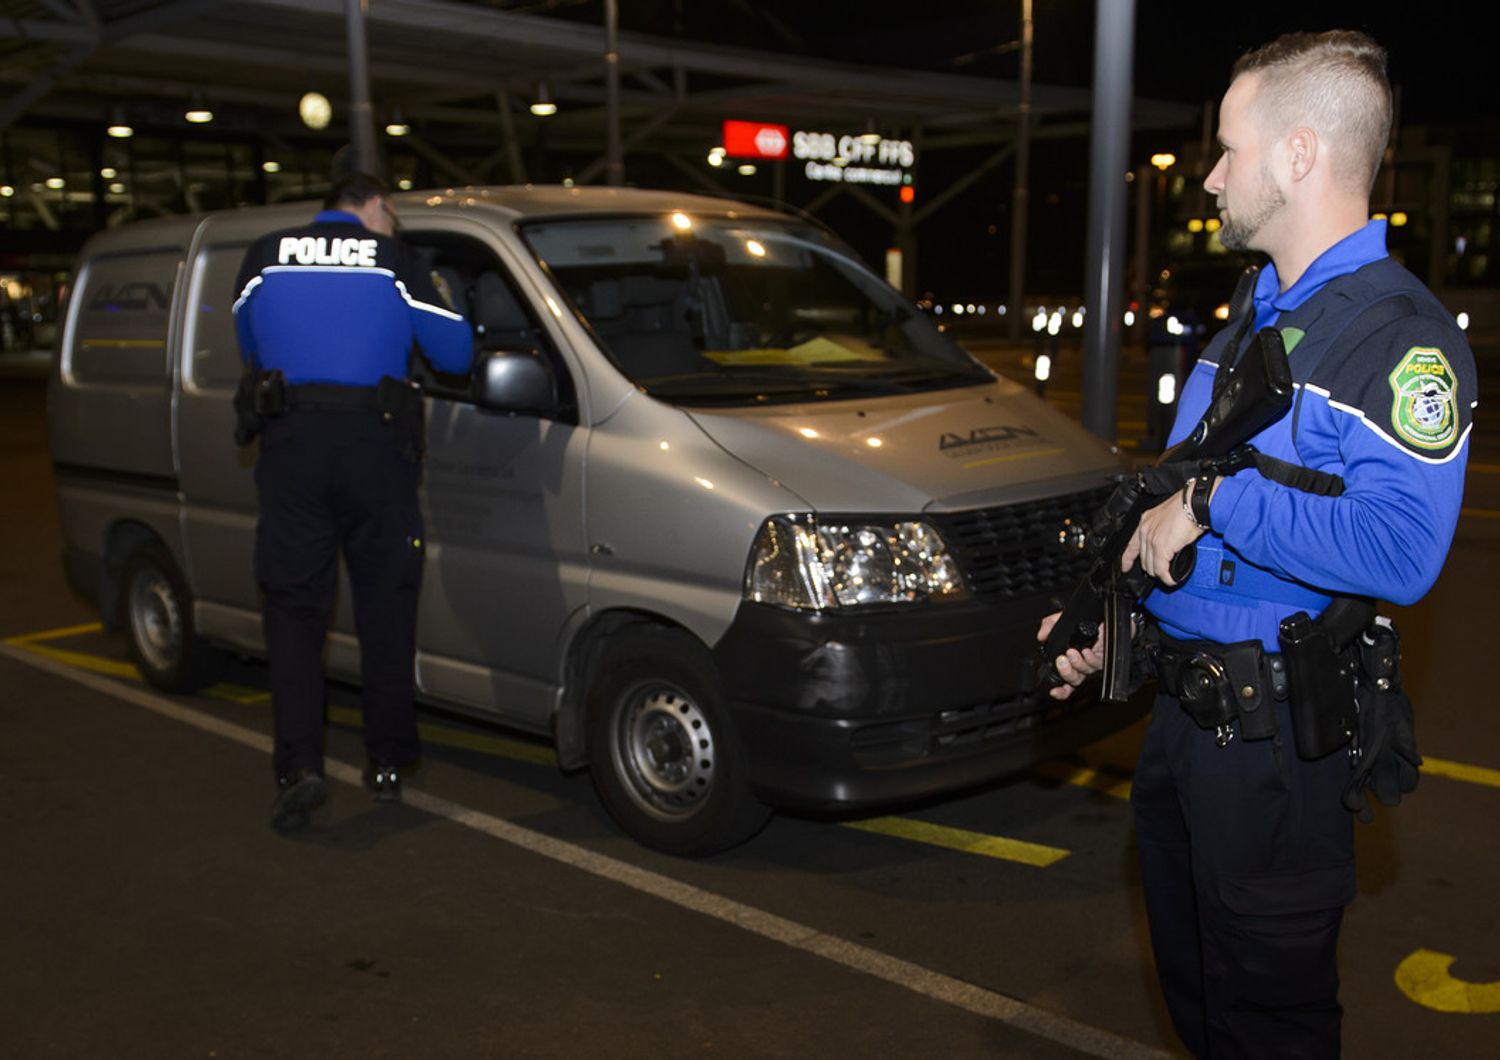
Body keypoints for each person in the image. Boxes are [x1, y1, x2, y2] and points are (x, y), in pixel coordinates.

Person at [1039, 30, 1472, 1058]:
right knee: (1204, 1011)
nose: (1211, 173)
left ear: (1300, 155)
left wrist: (1219, 501)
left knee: (1269, 1028)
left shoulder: (1396, 339)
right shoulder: (1252, 323)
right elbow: (1177, 506)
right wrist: (1112, 615)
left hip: (1275, 751)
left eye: (1229, 148)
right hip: (1186, 731)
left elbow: (1403, 549)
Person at [232, 172, 473, 832]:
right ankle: (388, 761)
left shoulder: (264, 255)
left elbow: (250, 349)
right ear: (371, 206)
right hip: (375, 448)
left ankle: (299, 769)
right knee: (385, 605)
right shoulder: (394, 258)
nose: (392, 225)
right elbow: (456, 352)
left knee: (292, 612)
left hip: (290, 449)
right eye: (390, 214)